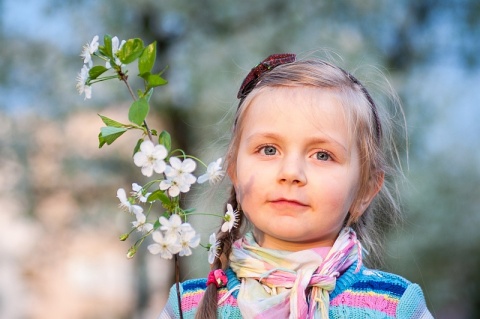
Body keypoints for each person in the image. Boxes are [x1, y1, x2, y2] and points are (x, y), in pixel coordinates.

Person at [159, 54, 434, 319]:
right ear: (235, 172)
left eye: (322, 155)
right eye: (268, 149)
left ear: (364, 191)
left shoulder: (395, 306)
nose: (291, 173)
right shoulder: (187, 305)